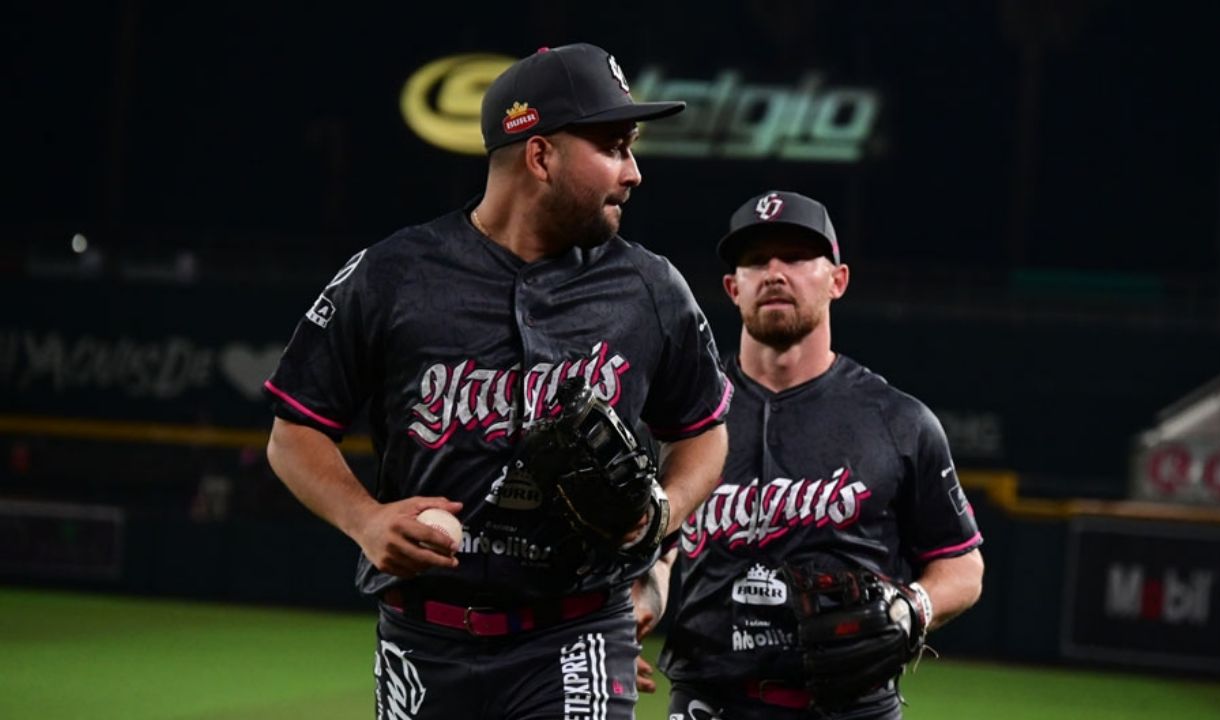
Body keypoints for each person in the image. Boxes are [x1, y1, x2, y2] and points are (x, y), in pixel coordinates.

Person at [263, 43, 731, 720]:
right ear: (540, 157)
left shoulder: (649, 288)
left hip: (576, 631)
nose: (632, 172)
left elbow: (704, 434)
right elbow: (294, 431)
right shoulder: (393, 275)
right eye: (613, 145)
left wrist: (663, 512)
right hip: (422, 636)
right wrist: (364, 519)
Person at [656, 190, 985, 720]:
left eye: (797, 256)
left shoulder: (898, 420)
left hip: (850, 705)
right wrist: (637, 603)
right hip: (707, 700)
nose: (775, 272)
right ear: (732, 287)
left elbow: (962, 562)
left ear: (838, 280)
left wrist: (913, 608)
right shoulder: (685, 415)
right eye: (757, 260)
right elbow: (656, 546)